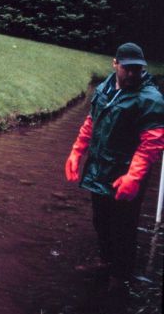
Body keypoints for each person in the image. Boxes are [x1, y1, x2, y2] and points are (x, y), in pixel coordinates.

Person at [64, 42, 164, 292]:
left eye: (137, 69)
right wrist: (77, 151)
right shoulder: (105, 87)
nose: (132, 74)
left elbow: (151, 142)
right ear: (115, 64)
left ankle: (121, 279)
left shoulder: (150, 99)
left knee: (124, 227)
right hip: (100, 169)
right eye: (127, 68)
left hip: (126, 175)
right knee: (101, 220)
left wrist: (134, 176)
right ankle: (105, 262)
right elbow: (91, 121)